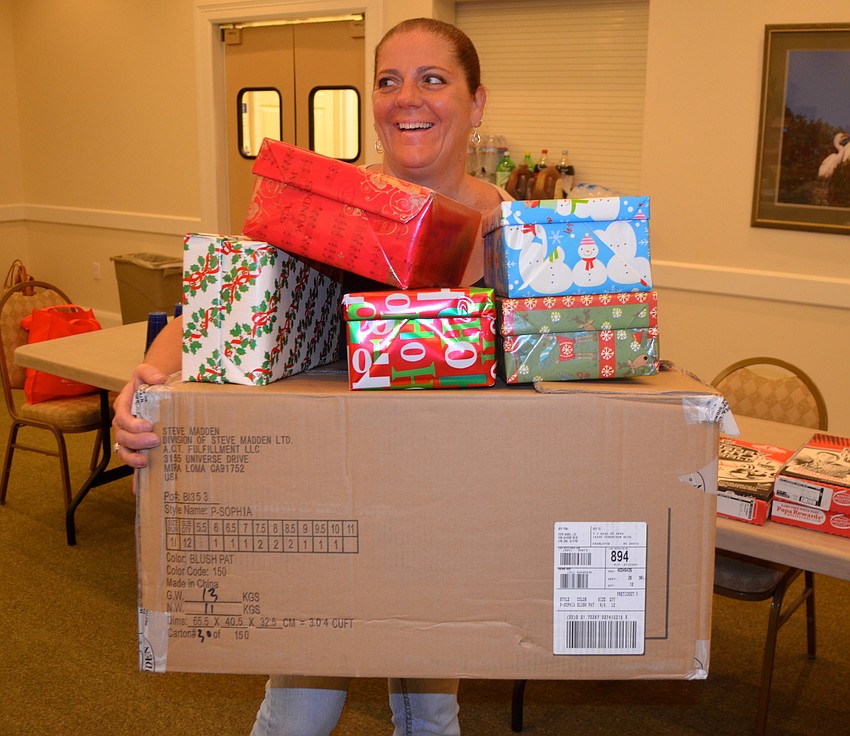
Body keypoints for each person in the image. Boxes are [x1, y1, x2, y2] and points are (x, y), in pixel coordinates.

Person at [113, 17, 510, 736]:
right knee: (298, 715)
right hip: (332, 496)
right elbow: (217, 303)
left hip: (443, 505)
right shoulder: (337, 211)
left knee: (431, 713)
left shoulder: (515, 232)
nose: (406, 98)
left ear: (476, 102)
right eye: (388, 80)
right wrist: (143, 379)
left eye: (433, 79)